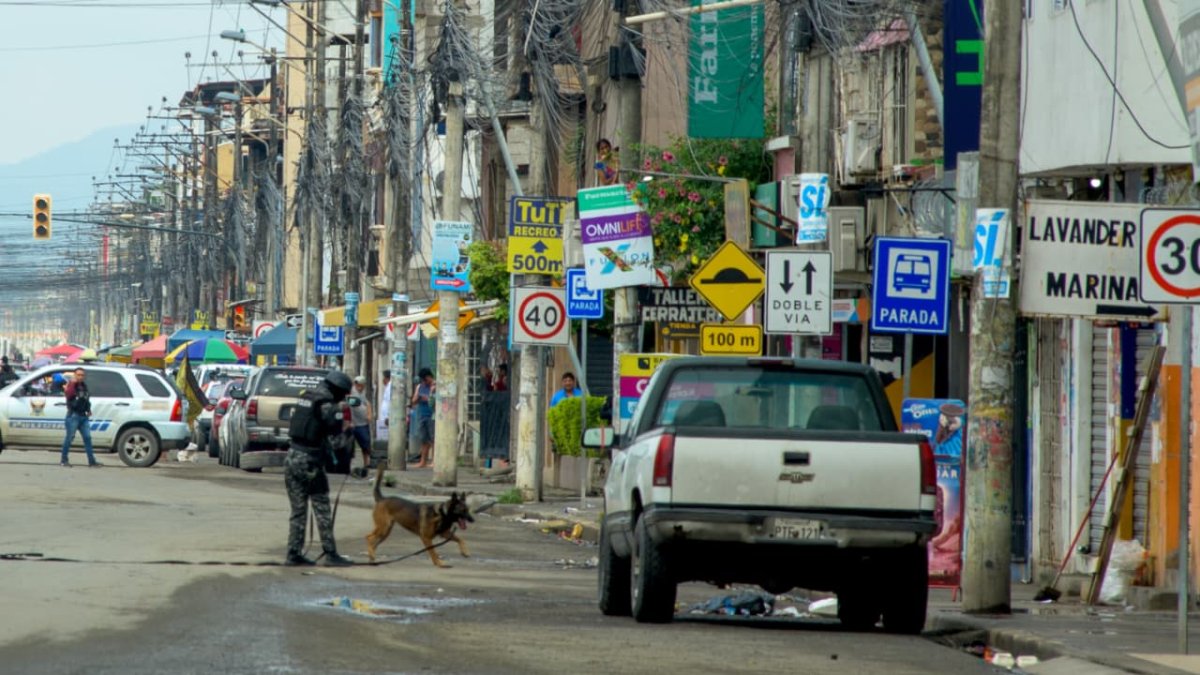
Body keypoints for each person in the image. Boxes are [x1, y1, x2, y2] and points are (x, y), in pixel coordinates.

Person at [282, 370, 355, 567]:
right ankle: (330, 554)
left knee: (298, 510)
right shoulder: (328, 406)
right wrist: (349, 433)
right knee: (321, 507)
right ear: (338, 390)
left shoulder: (306, 398)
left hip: (292, 457)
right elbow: (337, 442)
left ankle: (293, 553)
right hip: (310, 461)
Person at [60, 367, 101, 467]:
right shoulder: (71, 385)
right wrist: (72, 384)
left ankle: (92, 461)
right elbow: (69, 395)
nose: (80, 377)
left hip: (83, 416)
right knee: (69, 438)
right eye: (78, 375)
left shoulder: (84, 386)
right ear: (74, 375)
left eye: (82, 375)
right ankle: (64, 460)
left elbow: (86, 399)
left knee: (87, 438)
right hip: (73, 415)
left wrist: (88, 409)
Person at [348, 375, 374, 474]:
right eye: (357, 384)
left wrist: (369, 414)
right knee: (350, 446)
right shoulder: (352, 392)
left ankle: (366, 463)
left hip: (362, 423)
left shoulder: (362, 393)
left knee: (365, 444)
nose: (358, 386)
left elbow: (368, 404)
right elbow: (355, 405)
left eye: (360, 384)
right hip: (353, 423)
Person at [411, 368, 436, 468]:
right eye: (423, 380)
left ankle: (434, 461)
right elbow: (413, 401)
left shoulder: (436, 386)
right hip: (422, 414)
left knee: (434, 438)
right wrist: (418, 398)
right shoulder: (420, 387)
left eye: (426, 380)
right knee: (424, 439)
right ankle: (423, 461)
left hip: (432, 415)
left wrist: (431, 394)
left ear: (430, 377)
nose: (425, 382)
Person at [376, 370, 391, 444]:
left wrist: (388, 416)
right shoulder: (388, 387)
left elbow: (390, 402)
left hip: (387, 417)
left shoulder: (390, 387)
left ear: (386, 378)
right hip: (385, 417)